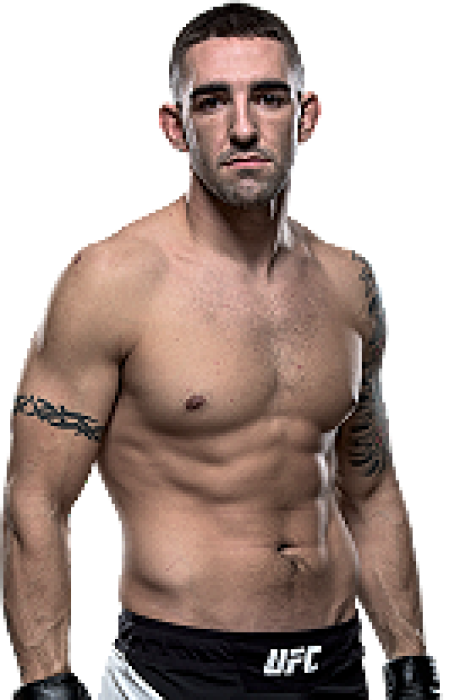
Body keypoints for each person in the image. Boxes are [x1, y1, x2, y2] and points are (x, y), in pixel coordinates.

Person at [5, 3, 442, 699]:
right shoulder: (111, 280)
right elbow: (38, 498)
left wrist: (409, 658)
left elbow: (370, 485)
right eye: (212, 101)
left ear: (307, 116)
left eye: (268, 97)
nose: (243, 127)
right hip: (176, 670)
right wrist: (46, 684)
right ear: (174, 127)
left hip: (336, 666)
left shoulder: (348, 282)